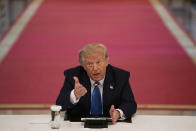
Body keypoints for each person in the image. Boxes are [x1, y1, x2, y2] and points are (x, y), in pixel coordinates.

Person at [56, 43, 137, 124]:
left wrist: (118, 113)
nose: (95, 68)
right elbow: (59, 104)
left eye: (98, 62)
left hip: (110, 125)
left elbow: (130, 104)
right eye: (90, 64)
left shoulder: (120, 76)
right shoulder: (73, 76)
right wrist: (74, 95)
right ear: (83, 66)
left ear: (106, 61)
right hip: (79, 125)